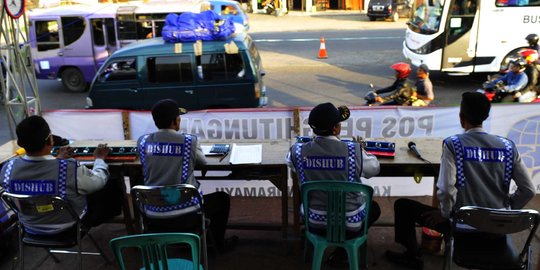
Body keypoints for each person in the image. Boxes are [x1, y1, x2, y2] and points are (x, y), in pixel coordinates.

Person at [385, 92, 535, 270]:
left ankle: (413, 256)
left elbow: (447, 189)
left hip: (464, 229)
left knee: (404, 206)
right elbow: (528, 190)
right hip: (497, 231)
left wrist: (445, 213)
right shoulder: (508, 147)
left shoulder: (453, 144)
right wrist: (506, 211)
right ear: (485, 117)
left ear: (461, 117)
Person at [287, 102, 381, 265]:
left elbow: (290, 163)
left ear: (313, 129)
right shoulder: (354, 151)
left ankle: (312, 242)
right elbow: (374, 169)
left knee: (306, 197)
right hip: (350, 224)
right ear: (336, 129)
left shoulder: (298, 151)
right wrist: (362, 150)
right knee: (375, 208)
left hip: (314, 222)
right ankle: (343, 252)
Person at [137, 99, 234, 250]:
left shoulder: (142, 142)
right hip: (187, 215)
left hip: (153, 215)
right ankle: (217, 245)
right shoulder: (188, 142)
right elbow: (203, 162)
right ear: (176, 121)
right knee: (222, 199)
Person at [0, 115, 120, 234]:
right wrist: (99, 159)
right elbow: (98, 181)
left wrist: (56, 159)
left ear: (21, 144)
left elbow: (36, 180)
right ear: (50, 139)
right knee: (109, 183)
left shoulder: (8, 169)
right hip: (69, 227)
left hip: (30, 228)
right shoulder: (68, 168)